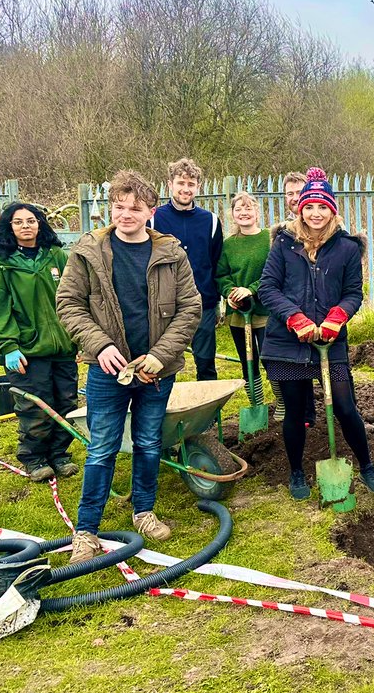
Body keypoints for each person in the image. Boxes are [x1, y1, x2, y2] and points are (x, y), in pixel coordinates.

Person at [56, 170, 201, 563]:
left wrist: (160, 354)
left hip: (156, 370)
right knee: (102, 448)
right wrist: (99, 344)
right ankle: (86, 531)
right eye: (119, 207)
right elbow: (69, 304)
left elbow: (190, 308)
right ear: (111, 209)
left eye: (134, 208)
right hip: (107, 371)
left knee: (149, 442)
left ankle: (143, 511)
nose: (125, 215)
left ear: (150, 211)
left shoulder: (171, 253)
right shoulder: (89, 252)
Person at [258, 167, 374, 501]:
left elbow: (353, 293)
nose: (315, 213)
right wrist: (295, 318)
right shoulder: (284, 244)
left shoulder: (346, 248)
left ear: (333, 209)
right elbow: (268, 288)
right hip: (288, 343)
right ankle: (297, 471)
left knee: (345, 407)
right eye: (309, 206)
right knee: (296, 412)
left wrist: (337, 318)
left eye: (322, 207)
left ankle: (367, 464)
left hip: (330, 341)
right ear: (300, 209)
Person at [0, 202, 79, 481]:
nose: (26, 226)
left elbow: (74, 298)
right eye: (18, 222)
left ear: (40, 224)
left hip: (62, 346)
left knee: (67, 403)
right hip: (27, 349)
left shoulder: (56, 256)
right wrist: (8, 346)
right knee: (35, 406)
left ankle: (59, 454)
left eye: (31, 221)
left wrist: (77, 339)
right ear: (9, 227)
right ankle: (34, 457)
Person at [151, 158, 223, 381]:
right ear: (170, 184)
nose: (186, 189)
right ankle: (161, 408)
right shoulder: (154, 219)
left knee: (206, 362)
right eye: (181, 183)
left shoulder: (210, 220)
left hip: (203, 303)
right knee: (162, 362)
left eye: (191, 184)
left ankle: (208, 412)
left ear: (198, 187)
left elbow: (216, 261)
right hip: (164, 302)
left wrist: (218, 302)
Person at [215, 192, 271, 406]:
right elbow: (221, 275)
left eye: (248, 208)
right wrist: (230, 292)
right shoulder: (228, 245)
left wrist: (251, 289)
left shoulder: (269, 239)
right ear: (233, 215)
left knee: (270, 359)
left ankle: (282, 403)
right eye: (238, 209)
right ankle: (256, 405)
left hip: (266, 310)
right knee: (248, 361)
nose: (243, 213)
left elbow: (274, 273)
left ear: (257, 212)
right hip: (239, 313)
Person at [271, 171, 312, 424]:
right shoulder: (281, 232)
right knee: (298, 367)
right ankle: (305, 416)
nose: (295, 198)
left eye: (299, 192)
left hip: (322, 309)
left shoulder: (324, 223)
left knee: (336, 371)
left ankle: (343, 415)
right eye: (290, 193)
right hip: (291, 309)